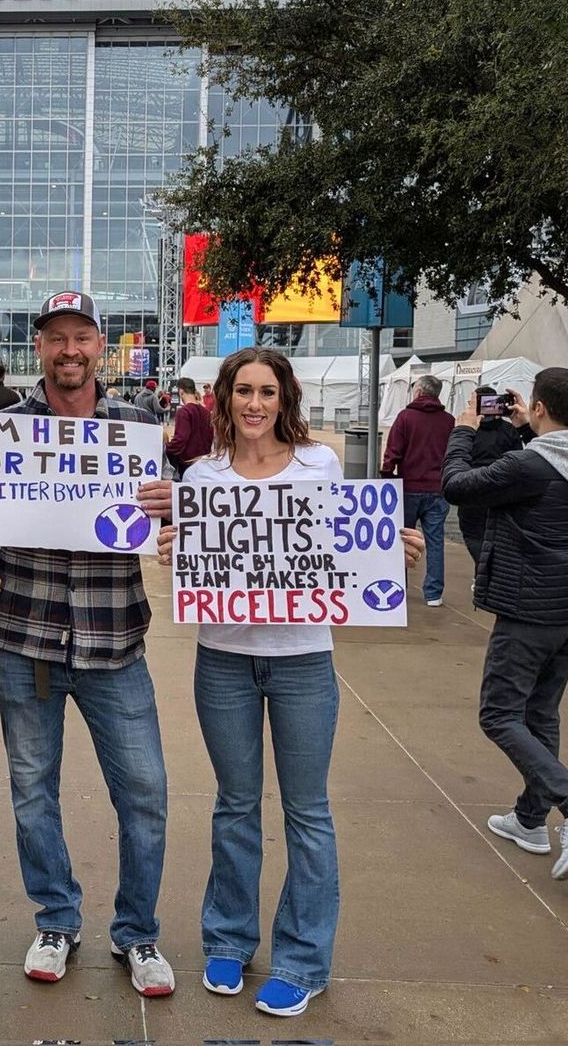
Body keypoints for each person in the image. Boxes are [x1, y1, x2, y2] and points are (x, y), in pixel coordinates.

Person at [159, 346, 424, 1017]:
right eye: (243, 391)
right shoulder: (202, 476)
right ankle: (228, 939)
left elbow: (346, 545)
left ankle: (303, 959)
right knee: (235, 805)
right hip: (222, 659)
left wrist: (388, 545)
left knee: (307, 812)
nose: (254, 404)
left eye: (267, 393)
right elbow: (192, 556)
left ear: (285, 400)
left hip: (303, 659)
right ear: (223, 398)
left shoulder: (319, 465)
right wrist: (173, 546)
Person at [0, 290, 177, 998]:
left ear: (99, 345)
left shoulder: (138, 425)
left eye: (81, 337)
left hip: (115, 641)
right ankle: (56, 919)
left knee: (145, 794)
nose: (69, 350)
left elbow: (171, 532)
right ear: (37, 348)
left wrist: (172, 507)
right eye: (55, 338)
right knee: (32, 791)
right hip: (26, 637)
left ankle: (137, 933)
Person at [442, 370, 568, 874]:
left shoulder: (529, 465)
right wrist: (526, 429)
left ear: (538, 407)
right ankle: (530, 819)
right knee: (541, 715)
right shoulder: (539, 457)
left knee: (499, 714)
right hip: (562, 613)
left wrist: (465, 429)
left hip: (526, 610)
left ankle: (559, 801)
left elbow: (456, 485)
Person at [380, 373, 455, 606]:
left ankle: (397, 587)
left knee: (402, 540)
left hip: (408, 487)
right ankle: (434, 593)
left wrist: (386, 475)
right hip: (438, 489)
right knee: (435, 541)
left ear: (419, 392)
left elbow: (393, 450)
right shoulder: (449, 421)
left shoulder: (405, 417)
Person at [455, 386, 526, 568]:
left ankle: (482, 571)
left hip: (472, 492)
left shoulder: (467, 432)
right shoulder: (510, 430)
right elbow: (519, 460)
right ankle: (486, 572)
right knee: (499, 538)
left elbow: (457, 459)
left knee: (473, 536)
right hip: (501, 494)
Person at [165, 376, 213, 476]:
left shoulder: (184, 412)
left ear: (181, 391)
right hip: (205, 462)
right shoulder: (206, 412)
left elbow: (181, 439)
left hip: (188, 464)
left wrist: (166, 449)